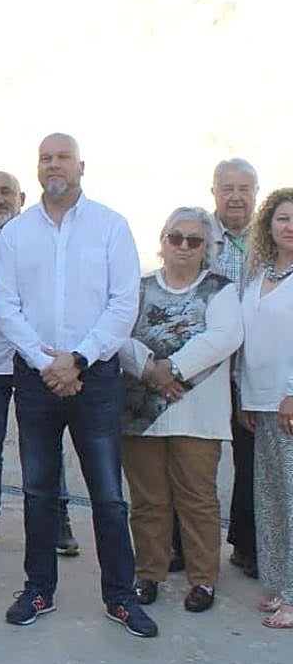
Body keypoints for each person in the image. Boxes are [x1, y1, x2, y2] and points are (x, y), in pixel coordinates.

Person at [0, 133, 157, 638]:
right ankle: (38, 588)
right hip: (38, 376)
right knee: (39, 490)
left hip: (97, 377)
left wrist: (78, 359)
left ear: (81, 166)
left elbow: (123, 303)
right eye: (45, 158)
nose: (53, 165)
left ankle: (121, 597)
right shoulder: (17, 234)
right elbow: (4, 305)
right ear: (37, 169)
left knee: (108, 494)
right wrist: (46, 362)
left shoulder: (110, 227)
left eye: (62, 157)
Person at [118, 207, 242, 613]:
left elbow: (225, 336)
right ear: (163, 241)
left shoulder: (221, 290)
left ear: (206, 248)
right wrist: (149, 369)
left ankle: (202, 579)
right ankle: (148, 574)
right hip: (141, 412)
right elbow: (118, 334)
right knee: (148, 499)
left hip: (197, 415)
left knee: (197, 499)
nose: (184, 247)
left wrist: (173, 369)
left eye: (194, 240)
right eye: (177, 238)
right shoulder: (136, 288)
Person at [0, 172, 81, 555]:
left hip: (38, 360)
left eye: (6, 193)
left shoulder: (42, 236)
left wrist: (1, 284)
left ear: (22, 196)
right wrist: (7, 284)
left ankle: (58, 520)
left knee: (45, 444)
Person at [237, 187, 293, 629]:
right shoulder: (258, 273)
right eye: (281, 218)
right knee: (271, 500)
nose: (289, 226)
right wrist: (245, 396)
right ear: (268, 225)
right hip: (260, 400)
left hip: (289, 401)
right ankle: (278, 586)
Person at [212, 158, 262, 580]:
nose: (235, 197)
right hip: (205, 371)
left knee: (250, 462)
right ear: (214, 193)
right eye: (227, 188)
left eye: (244, 188)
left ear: (255, 194)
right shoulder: (196, 235)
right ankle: (180, 545)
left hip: (250, 372)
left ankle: (247, 545)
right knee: (193, 459)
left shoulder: (268, 242)